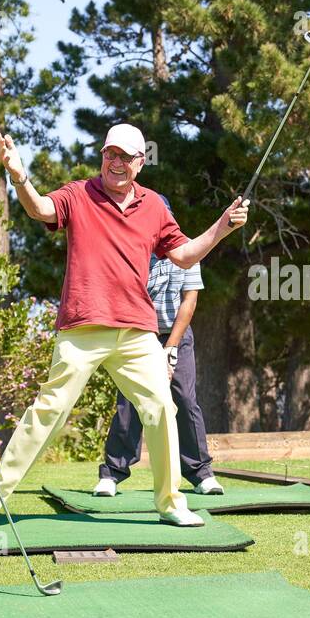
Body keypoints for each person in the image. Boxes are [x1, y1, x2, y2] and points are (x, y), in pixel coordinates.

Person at [0, 123, 248, 529]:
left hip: (136, 330)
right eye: (109, 154)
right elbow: (40, 209)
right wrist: (18, 176)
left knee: (161, 407)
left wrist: (222, 226)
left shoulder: (153, 206)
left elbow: (184, 256)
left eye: (125, 157)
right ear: (103, 157)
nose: (115, 162)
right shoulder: (79, 193)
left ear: (140, 162)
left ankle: (170, 502)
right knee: (49, 411)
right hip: (83, 327)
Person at [92, 194, 223, 498]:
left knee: (186, 400)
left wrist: (171, 347)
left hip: (177, 333)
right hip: (138, 332)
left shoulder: (188, 249)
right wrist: (149, 346)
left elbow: (189, 301)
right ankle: (112, 474)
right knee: (130, 402)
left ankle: (201, 473)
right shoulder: (133, 249)